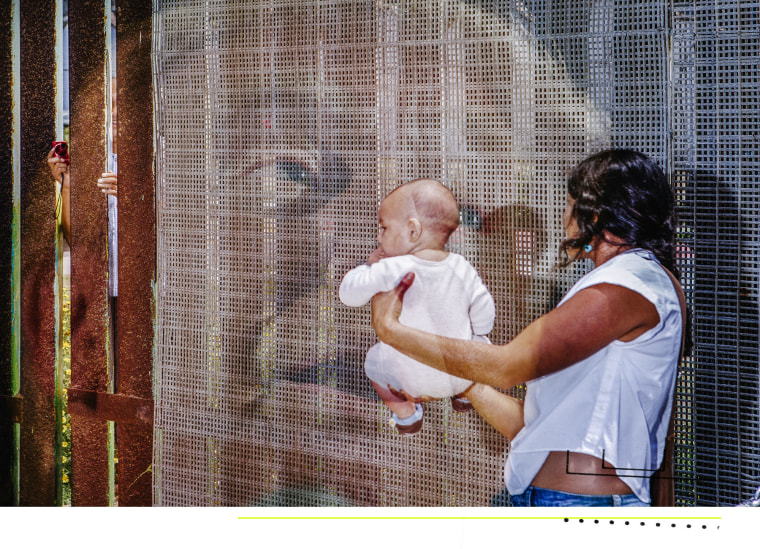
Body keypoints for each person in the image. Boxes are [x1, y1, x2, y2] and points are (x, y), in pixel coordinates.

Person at [370, 149, 685, 505]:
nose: (565, 218)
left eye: (569, 205)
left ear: (596, 213)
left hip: (580, 506)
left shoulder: (628, 284)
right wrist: (459, 377)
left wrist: (391, 329)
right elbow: (532, 426)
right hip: (553, 496)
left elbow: (504, 367)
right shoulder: (626, 282)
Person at [339, 178, 495, 435]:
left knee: (373, 362)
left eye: (384, 228)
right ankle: (465, 395)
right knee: (481, 341)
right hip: (459, 372)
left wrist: (369, 267)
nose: (379, 236)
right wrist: (473, 331)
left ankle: (406, 414)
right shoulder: (462, 267)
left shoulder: (392, 267)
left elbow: (349, 295)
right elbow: (484, 317)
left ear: (412, 230)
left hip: (409, 379)